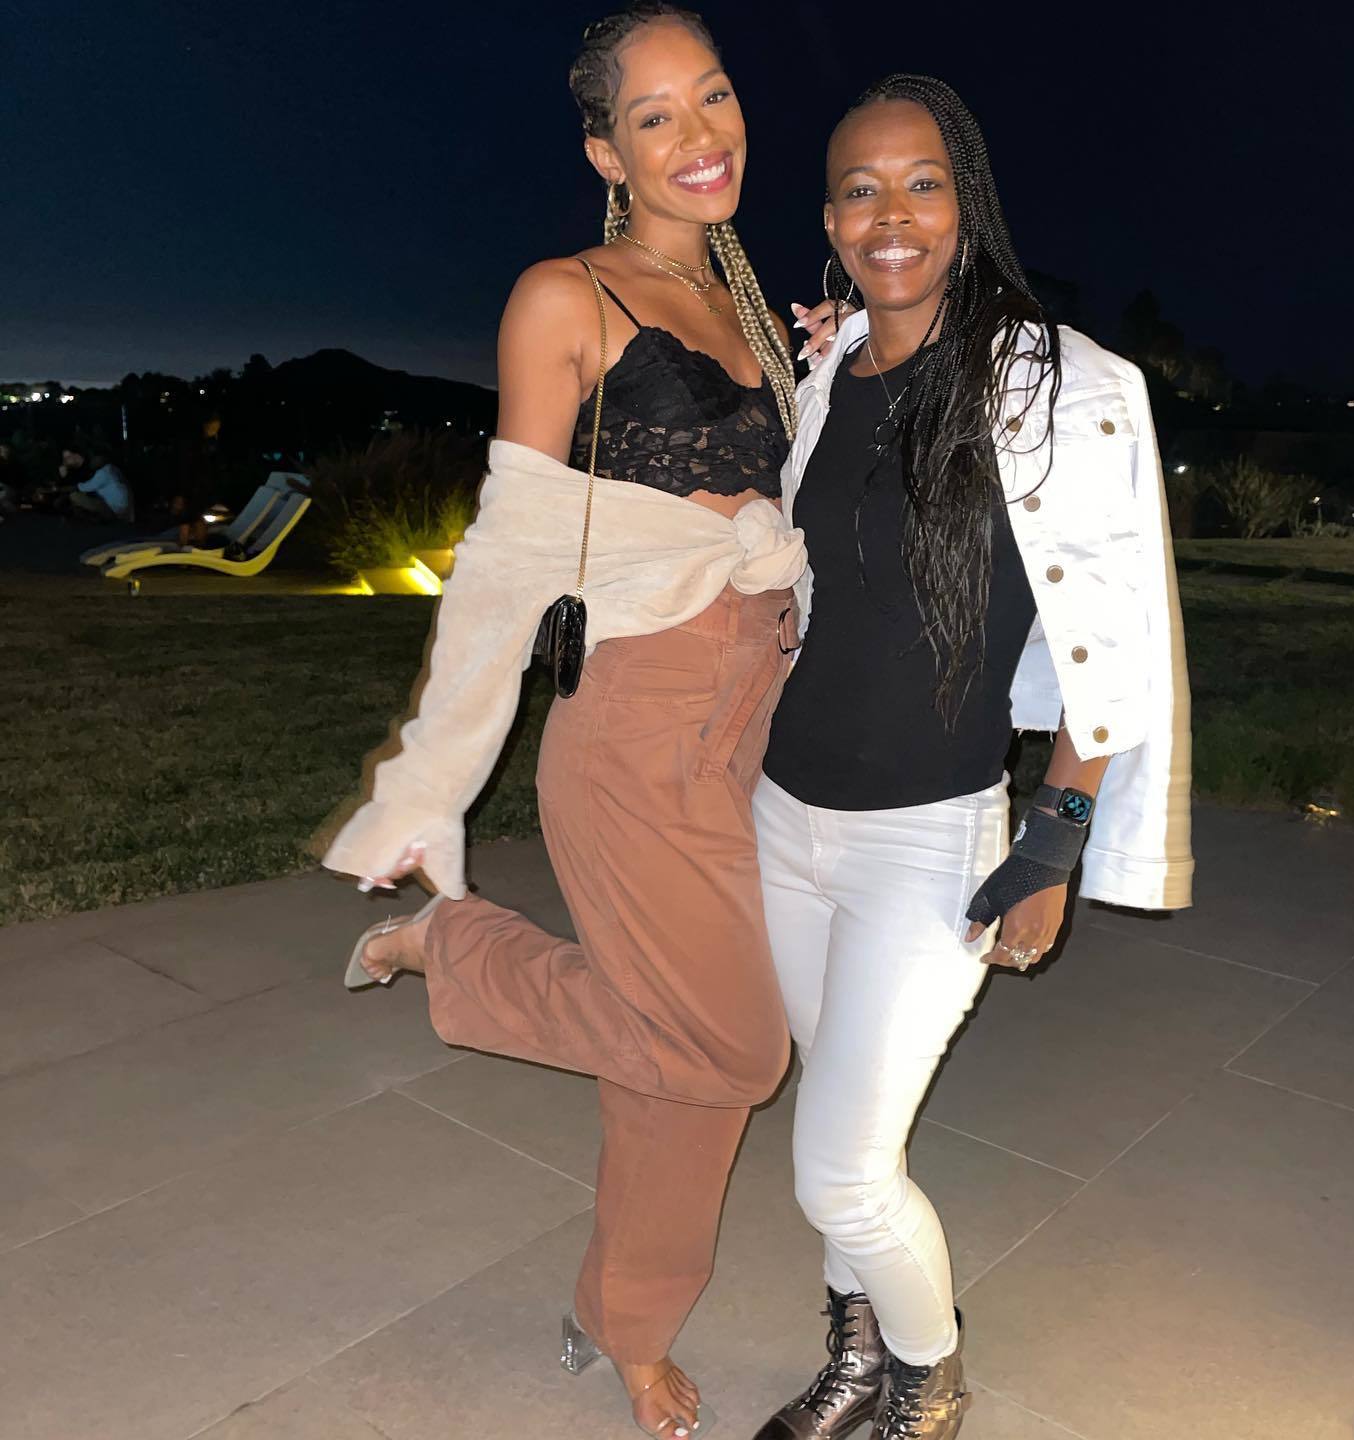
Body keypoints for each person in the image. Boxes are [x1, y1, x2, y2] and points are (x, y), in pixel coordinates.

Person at [322, 6, 831, 1436]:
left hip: (757, 716)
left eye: (713, 96)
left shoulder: (758, 313)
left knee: (686, 1082)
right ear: (608, 152)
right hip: (635, 726)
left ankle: (628, 1323)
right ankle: (456, 947)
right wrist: (428, 783)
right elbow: (508, 558)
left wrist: (840, 364)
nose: (700, 135)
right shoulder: (565, 298)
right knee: (739, 1049)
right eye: (656, 116)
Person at [751, 76, 1193, 1440]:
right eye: (860, 190)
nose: (891, 214)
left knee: (838, 1172)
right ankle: (855, 1356)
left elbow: (1114, 632)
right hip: (783, 818)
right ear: (830, 219)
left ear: (968, 202)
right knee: (844, 1129)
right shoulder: (827, 378)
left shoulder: (1055, 386)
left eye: (921, 183)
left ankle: (929, 1376)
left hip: (928, 837)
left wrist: (1055, 841)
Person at [67, 446, 133, 522]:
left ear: (101, 458)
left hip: (114, 510)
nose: (92, 461)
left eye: (94, 458)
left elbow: (83, 487)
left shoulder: (103, 473)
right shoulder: (111, 468)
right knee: (89, 494)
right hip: (121, 508)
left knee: (75, 496)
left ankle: (95, 519)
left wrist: (61, 489)